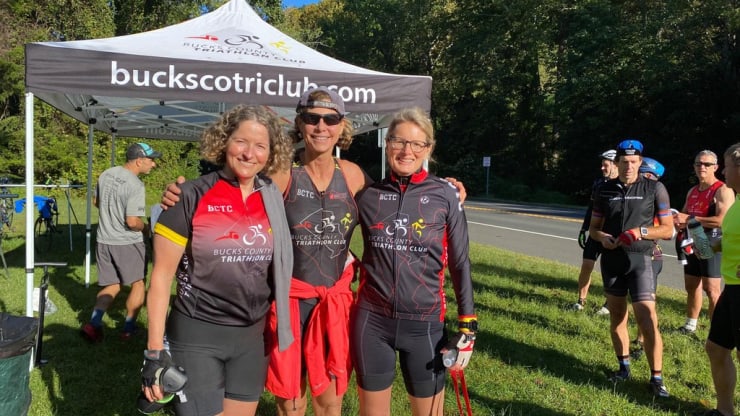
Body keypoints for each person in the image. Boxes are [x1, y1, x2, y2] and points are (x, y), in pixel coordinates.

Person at [160, 87, 466, 416]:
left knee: (329, 401)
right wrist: (183, 195)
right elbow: (236, 195)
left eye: (330, 119)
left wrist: (447, 193)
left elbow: (398, 201)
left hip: (334, 303)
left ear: (341, 126)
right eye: (312, 119)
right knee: (291, 403)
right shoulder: (280, 174)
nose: (321, 127)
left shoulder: (353, 176)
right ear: (300, 124)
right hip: (290, 302)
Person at [140, 105, 295, 416]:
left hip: (252, 339)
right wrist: (155, 352)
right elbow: (160, 278)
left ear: (271, 153)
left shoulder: (272, 197)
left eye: (260, 146)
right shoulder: (189, 196)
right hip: (198, 334)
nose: (250, 153)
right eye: (241, 141)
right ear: (224, 141)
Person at [351, 107, 476, 416]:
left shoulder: (446, 195)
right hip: (372, 323)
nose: (406, 151)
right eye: (398, 141)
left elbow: (460, 262)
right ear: (386, 144)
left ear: (428, 149)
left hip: (425, 326)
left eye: (416, 144)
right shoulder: (368, 195)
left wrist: (468, 324)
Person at [588, 139, 673, 397]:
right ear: (617, 163)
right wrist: (603, 238)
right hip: (612, 261)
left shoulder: (654, 188)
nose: (629, 167)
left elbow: (668, 230)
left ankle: (656, 378)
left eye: (634, 162)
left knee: (647, 319)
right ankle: (623, 367)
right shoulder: (604, 190)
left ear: (640, 162)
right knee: (617, 317)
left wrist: (641, 231)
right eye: (624, 162)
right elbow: (593, 229)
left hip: (642, 261)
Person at [81, 142, 161, 342]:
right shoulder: (135, 185)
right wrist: (148, 228)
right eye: (151, 160)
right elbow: (132, 222)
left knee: (112, 284)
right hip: (127, 242)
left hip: (104, 240)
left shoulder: (106, 174)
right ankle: (128, 328)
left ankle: (94, 324)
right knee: (137, 284)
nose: (153, 165)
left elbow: (97, 202)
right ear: (139, 160)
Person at [673, 150, 735, 334]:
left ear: (715, 167)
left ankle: (717, 332)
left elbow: (722, 220)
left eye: (707, 164)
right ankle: (690, 325)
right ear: (694, 166)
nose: (702, 167)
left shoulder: (722, 189)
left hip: (712, 240)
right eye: (699, 163)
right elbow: (683, 215)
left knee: (711, 288)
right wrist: (678, 223)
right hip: (694, 239)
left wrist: (691, 219)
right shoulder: (692, 190)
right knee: (691, 285)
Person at [704, 143, 740, 416]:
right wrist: (703, 242)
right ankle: (724, 411)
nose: (723, 172)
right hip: (732, 289)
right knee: (716, 348)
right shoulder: (737, 201)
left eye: (726, 166)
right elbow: (728, 240)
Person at [629, 156, 667, 360]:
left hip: (652, 254)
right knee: (639, 301)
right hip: (637, 254)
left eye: (646, 173)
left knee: (647, 302)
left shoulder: (654, 195)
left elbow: (666, 230)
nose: (642, 176)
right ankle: (640, 338)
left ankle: (644, 343)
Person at [570, 149, 618, 313]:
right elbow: (591, 208)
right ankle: (581, 300)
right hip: (595, 232)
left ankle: (608, 304)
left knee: (611, 270)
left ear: (615, 165)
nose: (602, 168)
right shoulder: (598, 184)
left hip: (612, 234)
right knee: (587, 265)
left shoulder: (622, 185)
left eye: (605, 165)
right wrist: (584, 228)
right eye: (602, 165)